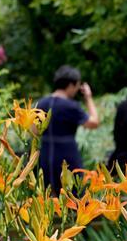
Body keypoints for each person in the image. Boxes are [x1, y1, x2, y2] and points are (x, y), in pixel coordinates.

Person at [36, 65, 99, 195]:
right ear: (71, 85)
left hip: (46, 153)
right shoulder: (71, 106)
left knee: (47, 195)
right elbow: (94, 123)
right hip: (67, 154)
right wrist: (88, 98)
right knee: (73, 195)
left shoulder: (42, 103)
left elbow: (34, 131)